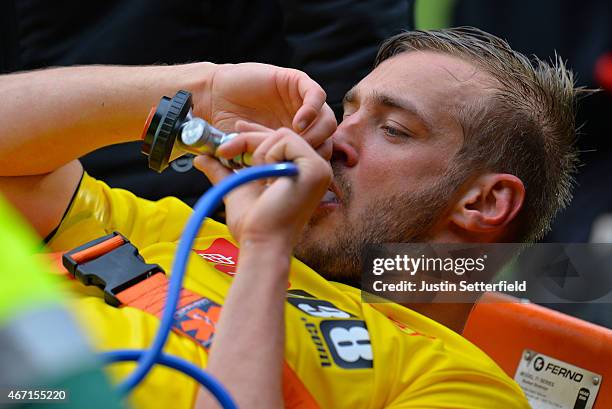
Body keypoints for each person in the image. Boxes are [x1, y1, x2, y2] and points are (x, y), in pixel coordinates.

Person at [0, 27, 581, 408]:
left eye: (395, 130)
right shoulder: (189, 230)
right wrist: (201, 90)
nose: (332, 140)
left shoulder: (461, 383)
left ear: (483, 203)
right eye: (344, 111)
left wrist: (265, 251)